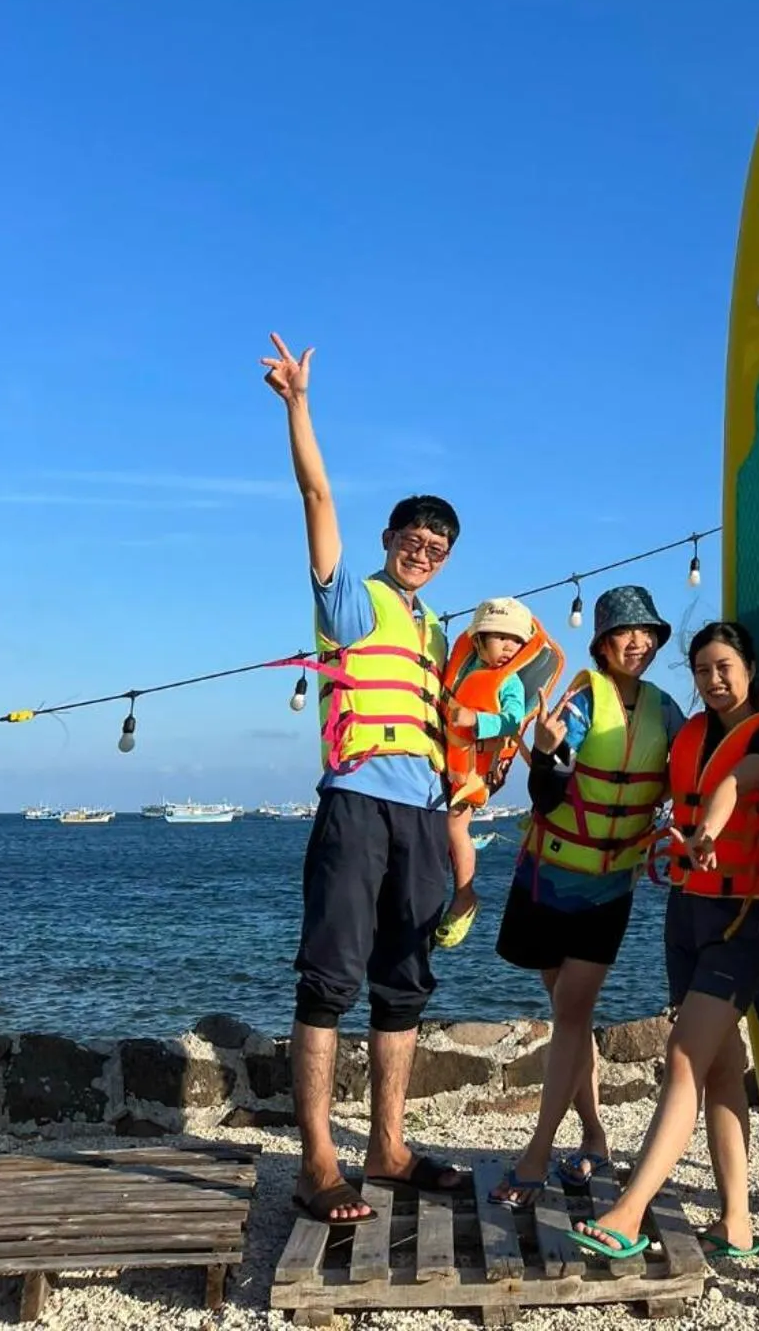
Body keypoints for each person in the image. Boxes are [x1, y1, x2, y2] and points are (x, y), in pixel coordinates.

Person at [261, 333, 466, 1228]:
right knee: (328, 981)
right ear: (388, 540)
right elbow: (316, 492)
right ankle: (317, 1161)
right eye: (413, 537)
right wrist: (299, 405)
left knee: (404, 983)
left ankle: (386, 1148)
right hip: (355, 808)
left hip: (420, 815)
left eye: (438, 543)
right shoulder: (350, 597)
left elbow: (458, 730)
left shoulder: (434, 631)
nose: (424, 550)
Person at [572, 622, 759, 1263]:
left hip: (741, 917)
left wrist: (708, 833)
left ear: (749, 668)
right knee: (722, 1068)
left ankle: (628, 1210)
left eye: (725, 666)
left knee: (682, 1058)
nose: (715, 679)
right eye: (702, 670)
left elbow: (735, 784)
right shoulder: (691, 733)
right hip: (686, 916)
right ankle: (737, 1222)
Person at [491, 584, 685, 1205]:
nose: (639, 642)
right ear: (602, 643)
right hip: (547, 880)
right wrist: (544, 758)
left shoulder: (666, 710)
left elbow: (696, 767)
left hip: (610, 888)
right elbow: (546, 798)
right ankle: (596, 1136)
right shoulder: (579, 698)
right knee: (568, 1016)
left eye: (647, 633)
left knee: (572, 1013)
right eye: (626, 632)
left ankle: (536, 1155)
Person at [436, 597, 557, 953]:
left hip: (475, 771)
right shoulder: (463, 668)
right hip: (447, 762)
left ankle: (465, 895)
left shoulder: (509, 683)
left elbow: (512, 720)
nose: (509, 647)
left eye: (516, 641)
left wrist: (477, 721)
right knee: (438, 834)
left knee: (456, 828)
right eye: (499, 638)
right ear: (477, 640)